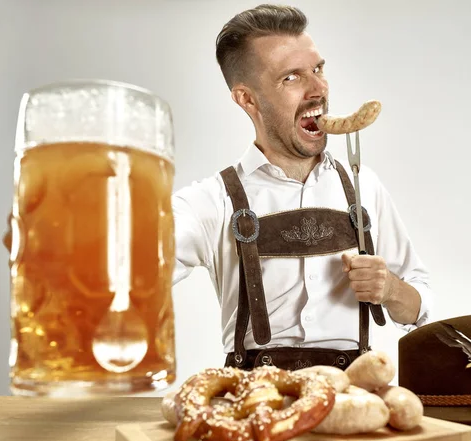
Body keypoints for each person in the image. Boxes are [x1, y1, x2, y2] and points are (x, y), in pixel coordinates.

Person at [172, 4, 433, 371]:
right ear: (247, 98)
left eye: (318, 69)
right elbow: (136, 273)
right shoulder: (210, 202)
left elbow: (420, 307)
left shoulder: (363, 187)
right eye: (291, 78)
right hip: (256, 397)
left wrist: (389, 288)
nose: (318, 89)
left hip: (354, 389)